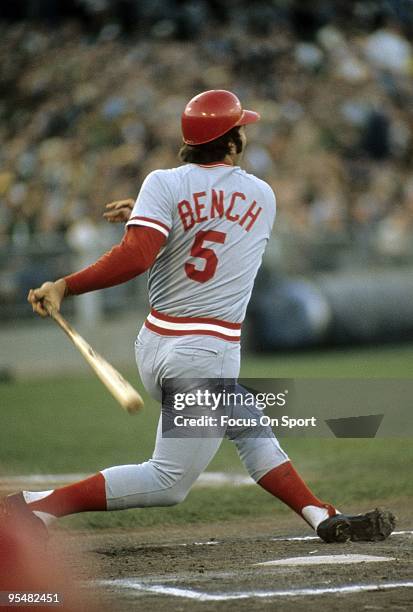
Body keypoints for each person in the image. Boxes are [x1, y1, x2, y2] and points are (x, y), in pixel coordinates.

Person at [2, 90, 394, 544]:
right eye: (240, 128)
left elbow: (144, 249)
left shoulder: (161, 184)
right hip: (205, 355)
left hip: (155, 343)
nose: (245, 133)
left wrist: (138, 222)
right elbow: (184, 239)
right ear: (229, 142)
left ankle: (320, 514)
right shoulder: (262, 195)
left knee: (250, 424)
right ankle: (35, 508)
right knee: (168, 482)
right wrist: (69, 284)